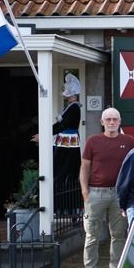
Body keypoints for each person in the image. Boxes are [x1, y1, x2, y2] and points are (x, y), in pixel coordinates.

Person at [78, 108, 133, 268]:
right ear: (102, 122)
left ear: (119, 121)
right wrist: (85, 192)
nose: (111, 123)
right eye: (108, 119)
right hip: (96, 193)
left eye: (115, 119)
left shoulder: (129, 141)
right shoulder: (93, 141)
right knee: (92, 235)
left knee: (118, 234)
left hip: (119, 194)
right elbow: (85, 167)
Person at [53, 73, 82, 216]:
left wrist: (46, 133)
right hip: (65, 143)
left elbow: (63, 124)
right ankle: (64, 208)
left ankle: (66, 209)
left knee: (64, 173)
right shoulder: (72, 107)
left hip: (67, 145)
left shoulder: (74, 108)